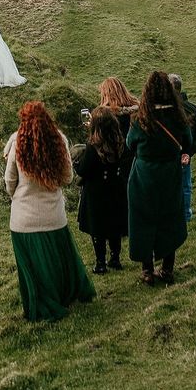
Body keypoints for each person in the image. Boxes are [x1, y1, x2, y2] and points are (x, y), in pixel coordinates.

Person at [4, 101, 95, 321]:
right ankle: (62, 295)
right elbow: (68, 177)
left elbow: (9, 180)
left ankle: (38, 302)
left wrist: (16, 195)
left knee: (32, 267)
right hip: (53, 215)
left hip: (23, 217)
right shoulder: (59, 140)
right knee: (56, 261)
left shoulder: (17, 143)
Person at [127, 70, 192, 286]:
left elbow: (130, 144)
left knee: (144, 220)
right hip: (170, 174)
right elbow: (188, 142)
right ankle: (167, 269)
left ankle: (147, 270)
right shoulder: (178, 117)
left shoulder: (141, 119)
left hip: (144, 175)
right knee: (169, 218)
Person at [74, 107, 130, 274]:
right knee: (115, 224)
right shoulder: (121, 142)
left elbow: (84, 170)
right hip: (116, 188)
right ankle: (115, 258)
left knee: (97, 228)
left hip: (96, 192)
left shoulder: (94, 147)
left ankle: (100, 263)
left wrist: (77, 163)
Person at [169, 73, 196, 222]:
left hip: (167, 155)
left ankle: (170, 216)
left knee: (168, 186)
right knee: (185, 186)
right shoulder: (193, 109)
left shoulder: (164, 110)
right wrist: (189, 152)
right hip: (185, 154)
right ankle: (185, 215)